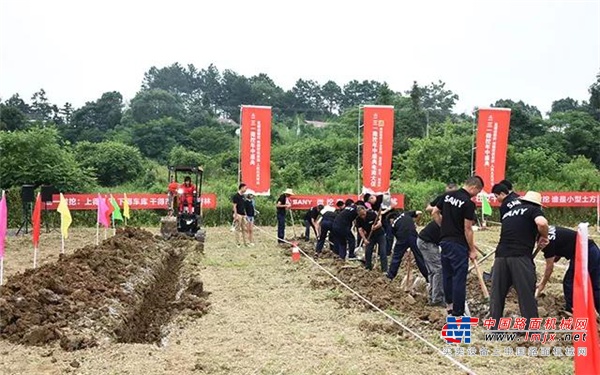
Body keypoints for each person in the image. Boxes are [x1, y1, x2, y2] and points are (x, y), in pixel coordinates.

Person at [489, 191, 549, 327]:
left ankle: (493, 327)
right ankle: (531, 328)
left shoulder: (509, 212)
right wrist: (544, 236)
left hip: (500, 256)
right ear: (538, 205)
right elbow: (542, 223)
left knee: (497, 294)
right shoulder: (533, 210)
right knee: (526, 293)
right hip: (520, 256)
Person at [432, 176, 483, 316]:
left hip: (444, 242)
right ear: (474, 187)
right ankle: (458, 311)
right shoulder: (468, 203)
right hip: (458, 244)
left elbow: (434, 212)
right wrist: (472, 249)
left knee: (447, 274)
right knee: (459, 277)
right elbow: (468, 229)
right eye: (477, 192)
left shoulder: (447, 196)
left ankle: (449, 305)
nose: (476, 195)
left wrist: (444, 227)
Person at [537, 225, 599, 314]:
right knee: (596, 285)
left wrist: (542, 285)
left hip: (584, 253)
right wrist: (554, 256)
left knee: (569, 282)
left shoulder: (545, 242)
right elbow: (563, 242)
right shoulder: (550, 229)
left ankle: (572, 310)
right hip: (592, 249)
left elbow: (549, 268)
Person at [386, 210, 428, 281]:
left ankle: (390, 276)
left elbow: (392, 237)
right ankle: (428, 276)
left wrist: (390, 251)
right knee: (419, 257)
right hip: (413, 236)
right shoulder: (406, 214)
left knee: (396, 257)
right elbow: (419, 212)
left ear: (392, 218)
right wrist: (415, 222)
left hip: (402, 239)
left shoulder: (393, 224)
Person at [417, 220, 444, 306]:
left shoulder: (448, 218)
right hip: (427, 243)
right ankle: (437, 299)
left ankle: (432, 296)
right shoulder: (448, 221)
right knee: (438, 270)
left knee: (432, 271)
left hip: (424, 241)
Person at [357, 207, 388, 272]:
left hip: (380, 235)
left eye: (363, 214)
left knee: (383, 251)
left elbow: (380, 223)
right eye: (361, 215)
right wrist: (365, 239)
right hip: (370, 236)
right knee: (368, 251)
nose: (363, 216)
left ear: (365, 211)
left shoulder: (372, 214)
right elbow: (360, 230)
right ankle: (368, 267)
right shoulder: (358, 219)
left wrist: (375, 227)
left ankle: (384, 270)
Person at [232, 183, 248, 247]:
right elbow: (234, 206)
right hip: (238, 214)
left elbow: (243, 206)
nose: (246, 189)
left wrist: (245, 214)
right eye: (245, 188)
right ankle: (238, 243)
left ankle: (245, 243)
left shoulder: (243, 196)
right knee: (237, 229)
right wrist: (235, 215)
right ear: (241, 188)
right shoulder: (236, 196)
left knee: (244, 229)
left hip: (243, 214)